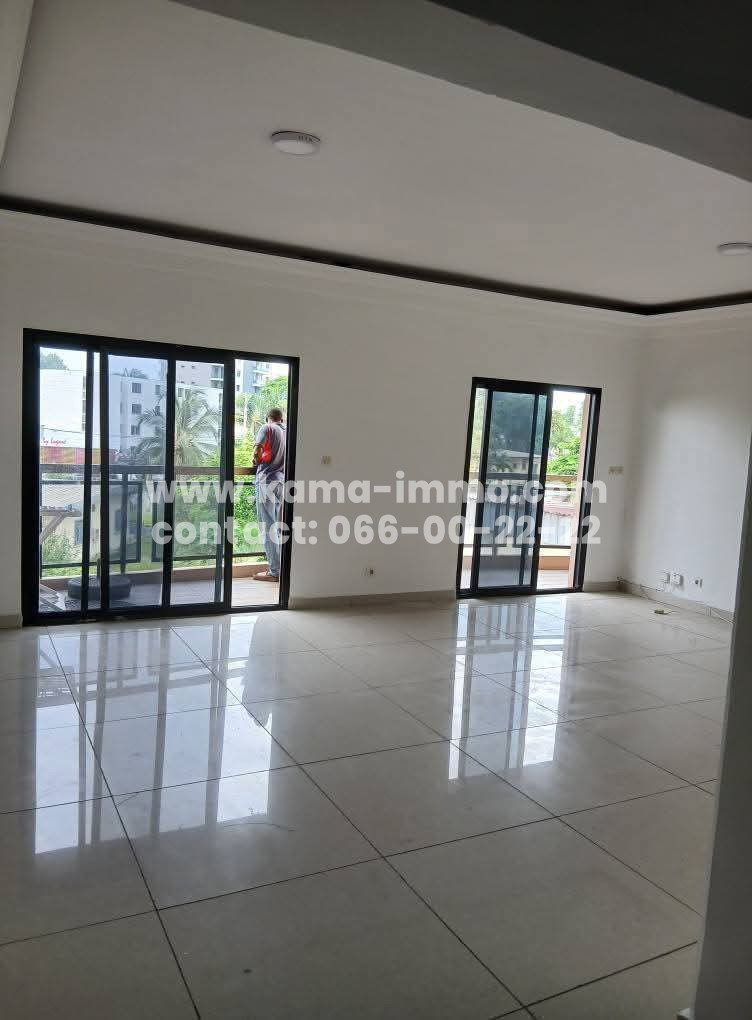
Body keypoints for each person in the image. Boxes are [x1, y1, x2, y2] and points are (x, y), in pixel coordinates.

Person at [253, 407, 286, 581]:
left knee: (267, 527)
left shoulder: (267, 428)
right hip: (281, 482)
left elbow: (257, 451)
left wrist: (256, 460)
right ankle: (280, 569)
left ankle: (275, 572)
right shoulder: (286, 431)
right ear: (282, 419)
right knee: (277, 527)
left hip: (266, 482)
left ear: (267, 418)